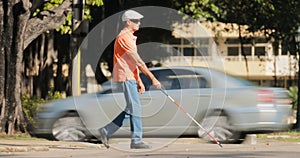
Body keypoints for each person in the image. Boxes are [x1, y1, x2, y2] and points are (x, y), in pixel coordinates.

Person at [98, 10, 161, 149]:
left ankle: (106, 130)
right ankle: (136, 140)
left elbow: (133, 63)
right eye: (136, 20)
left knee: (131, 109)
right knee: (135, 108)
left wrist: (139, 81)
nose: (139, 23)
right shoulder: (124, 38)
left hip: (130, 76)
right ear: (128, 22)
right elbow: (138, 61)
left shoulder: (130, 37)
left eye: (139, 20)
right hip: (126, 76)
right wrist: (153, 78)